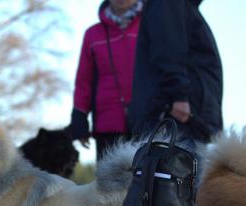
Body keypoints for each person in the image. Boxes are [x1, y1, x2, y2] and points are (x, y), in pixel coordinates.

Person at [128, 0, 223, 146]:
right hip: (178, 118)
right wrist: (178, 95)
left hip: (188, 118)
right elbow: (167, 50)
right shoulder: (169, 3)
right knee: (179, 166)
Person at [70, 0, 144, 160]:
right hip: (107, 127)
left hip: (148, 123)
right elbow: (84, 81)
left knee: (147, 183)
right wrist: (79, 119)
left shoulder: (152, 27)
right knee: (110, 184)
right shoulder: (92, 34)